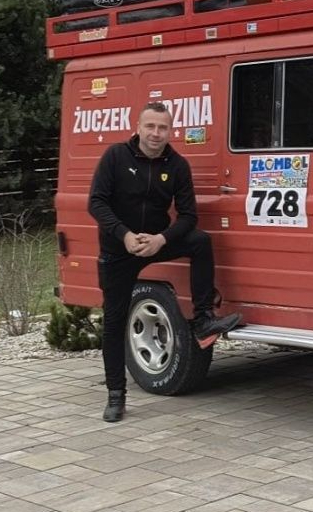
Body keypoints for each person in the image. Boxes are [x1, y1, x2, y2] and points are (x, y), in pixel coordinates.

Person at [88, 101, 242, 422]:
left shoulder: (177, 164)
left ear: (170, 131)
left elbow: (188, 216)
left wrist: (162, 239)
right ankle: (116, 395)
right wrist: (125, 235)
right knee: (115, 322)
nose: (156, 134)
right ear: (138, 127)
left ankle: (202, 320)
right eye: (150, 127)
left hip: (156, 241)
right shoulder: (115, 157)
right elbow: (96, 203)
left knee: (200, 241)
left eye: (162, 128)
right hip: (120, 249)